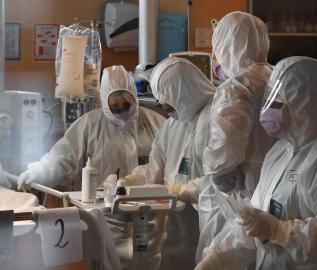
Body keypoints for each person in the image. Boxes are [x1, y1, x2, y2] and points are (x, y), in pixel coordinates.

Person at [196, 56, 317, 270]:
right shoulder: (280, 152)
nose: (268, 110)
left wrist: (282, 232)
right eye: (271, 99)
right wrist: (218, 259)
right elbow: (256, 221)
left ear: (307, 103)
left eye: (278, 103)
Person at [15, 65, 166, 270]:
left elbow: (171, 161)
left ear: (134, 96)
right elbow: (62, 159)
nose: (121, 109)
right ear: (104, 102)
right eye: (115, 105)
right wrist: (38, 172)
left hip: (151, 221)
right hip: (104, 222)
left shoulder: (156, 123)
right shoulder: (89, 125)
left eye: (126, 103)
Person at [125, 57, 215, 270]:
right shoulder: (173, 124)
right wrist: (133, 180)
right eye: (163, 104)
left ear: (184, 92)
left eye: (169, 103)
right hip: (174, 226)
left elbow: (220, 179)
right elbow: (156, 166)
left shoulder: (216, 118)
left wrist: (184, 190)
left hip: (206, 221)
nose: (166, 109)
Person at [198, 11, 275, 261]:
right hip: (282, 182)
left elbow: (227, 143)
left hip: (247, 186)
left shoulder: (235, 88)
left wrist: (218, 171)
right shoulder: (278, 76)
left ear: (225, 45)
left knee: (239, 251)